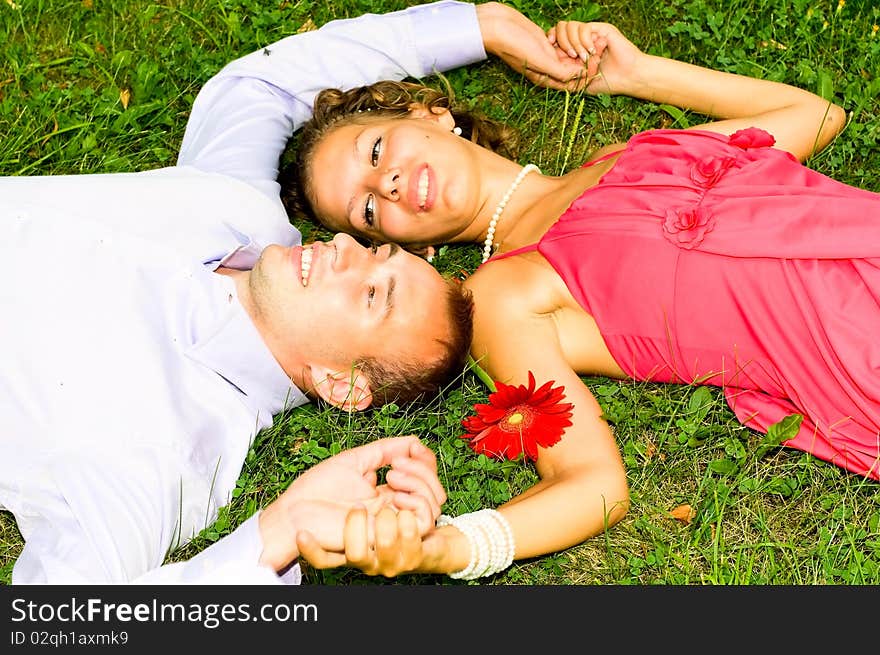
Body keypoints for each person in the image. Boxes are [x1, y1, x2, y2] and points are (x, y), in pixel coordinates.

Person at [280, 18, 880, 580]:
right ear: (398, 247)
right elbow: (591, 483)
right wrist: (448, 547)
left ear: (430, 114)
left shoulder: (631, 155)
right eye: (366, 210)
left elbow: (815, 115)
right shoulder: (501, 296)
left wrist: (637, 73)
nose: (383, 184)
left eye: (376, 151)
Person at [0, 0, 575, 584]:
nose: (346, 250)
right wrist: (481, 26)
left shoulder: (167, 448)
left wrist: (278, 532)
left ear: (341, 384)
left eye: (372, 296)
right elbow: (258, 86)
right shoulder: (245, 207)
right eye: (375, 249)